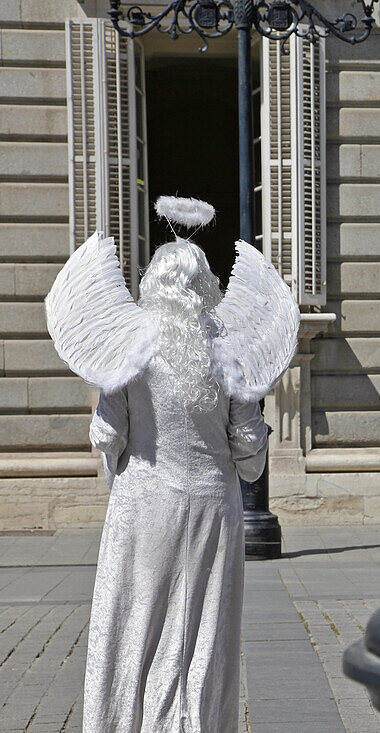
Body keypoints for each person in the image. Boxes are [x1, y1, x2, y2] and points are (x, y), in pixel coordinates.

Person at [45, 197, 299, 732]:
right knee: (204, 630)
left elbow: (107, 433)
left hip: (142, 505)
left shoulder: (129, 348)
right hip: (212, 504)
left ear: (152, 282)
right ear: (206, 285)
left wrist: (120, 458)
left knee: (134, 624)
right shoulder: (228, 351)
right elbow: (250, 448)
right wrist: (244, 454)